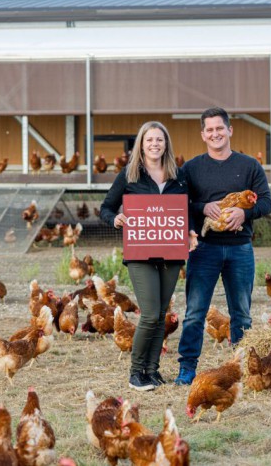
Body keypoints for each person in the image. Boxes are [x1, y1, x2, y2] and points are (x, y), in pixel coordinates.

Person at [175, 107, 271, 386]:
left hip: (240, 248)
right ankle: (187, 368)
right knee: (195, 311)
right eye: (210, 130)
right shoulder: (191, 169)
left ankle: (241, 367)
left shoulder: (249, 166)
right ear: (203, 134)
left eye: (220, 128)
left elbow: (266, 202)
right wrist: (202, 207)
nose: (215, 134)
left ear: (230, 130)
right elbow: (180, 204)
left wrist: (245, 213)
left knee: (241, 312)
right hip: (204, 249)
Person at [99, 121, 196, 391]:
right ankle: (135, 372)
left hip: (171, 253)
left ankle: (152, 370)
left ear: (166, 144)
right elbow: (105, 208)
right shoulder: (129, 175)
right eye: (149, 139)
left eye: (159, 140)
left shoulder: (179, 176)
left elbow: (187, 211)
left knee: (161, 314)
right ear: (141, 144)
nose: (155, 144)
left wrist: (190, 231)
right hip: (140, 252)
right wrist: (115, 218)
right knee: (151, 313)